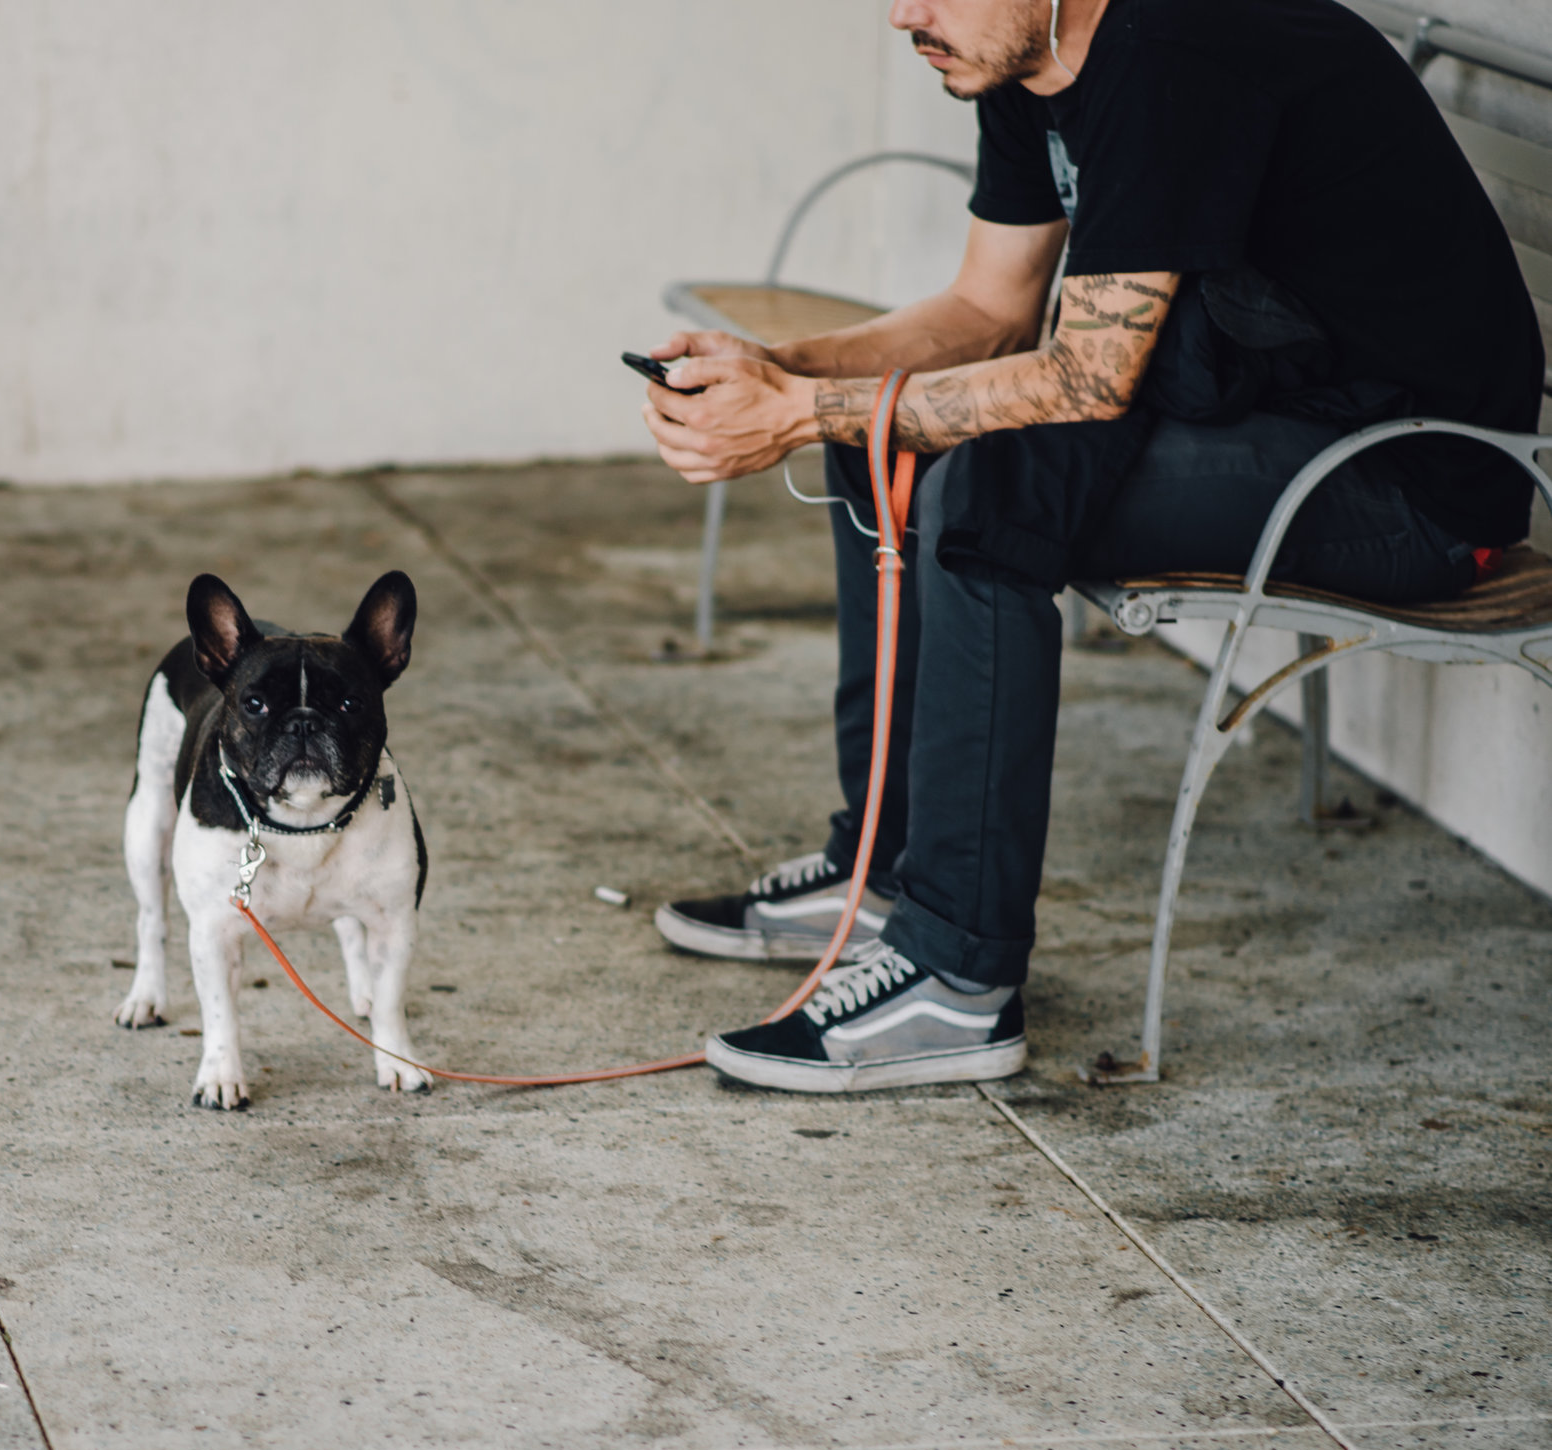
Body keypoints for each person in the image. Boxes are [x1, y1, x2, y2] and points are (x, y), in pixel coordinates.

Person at [639, 0, 1543, 1093]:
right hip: (1269, 415)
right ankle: (885, 863)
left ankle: (954, 979)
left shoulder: (1176, 51)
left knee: (980, 485)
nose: (902, 15)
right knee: (880, 431)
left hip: (1412, 480)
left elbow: (1085, 380)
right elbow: (986, 307)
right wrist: (780, 374)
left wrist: (800, 412)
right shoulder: (1023, 58)